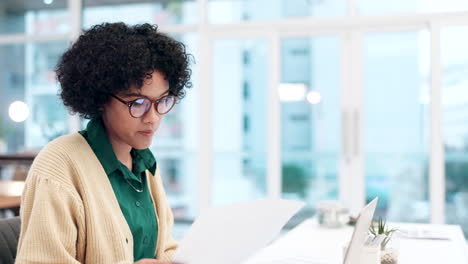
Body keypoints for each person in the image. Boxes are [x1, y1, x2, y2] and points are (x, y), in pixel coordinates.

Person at [15, 22, 192, 264]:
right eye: (138, 103)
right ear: (100, 100)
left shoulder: (144, 164)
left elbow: (164, 248)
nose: (153, 118)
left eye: (162, 101)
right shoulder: (58, 166)